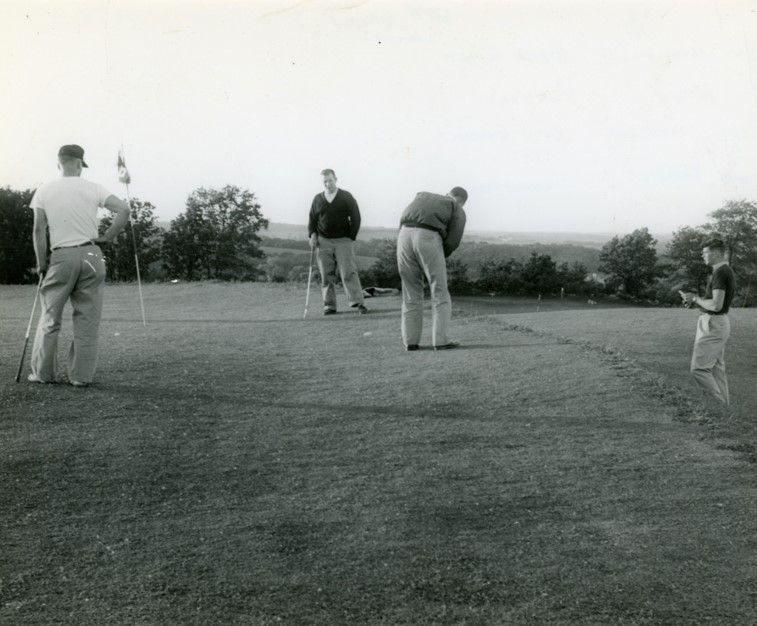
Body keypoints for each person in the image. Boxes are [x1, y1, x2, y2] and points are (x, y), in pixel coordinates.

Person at [27, 144, 130, 387]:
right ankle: (81, 377)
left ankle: (43, 374)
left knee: (50, 318)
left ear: (59, 163)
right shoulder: (93, 187)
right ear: (78, 164)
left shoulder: (44, 190)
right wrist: (108, 236)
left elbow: (38, 229)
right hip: (92, 256)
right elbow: (124, 210)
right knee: (87, 319)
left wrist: (41, 264)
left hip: (61, 257)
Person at [397, 187, 467, 351]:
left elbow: (401, 221)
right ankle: (440, 341)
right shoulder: (456, 207)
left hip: (403, 235)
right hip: (428, 236)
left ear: (448, 193)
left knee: (410, 291)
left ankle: (410, 342)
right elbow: (452, 241)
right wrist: (440, 255)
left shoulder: (422, 196)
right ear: (462, 201)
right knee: (440, 290)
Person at [680, 237, 736, 410]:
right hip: (717, 323)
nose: (702, 255)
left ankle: (717, 407)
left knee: (699, 369)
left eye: (705, 252)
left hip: (713, 323)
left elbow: (716, 305)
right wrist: (695, 302)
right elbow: (713, 303)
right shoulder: (723, 270)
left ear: (717, 252)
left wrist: (696, 298)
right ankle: (724, 412)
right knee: (716, 369)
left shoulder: (720, 272)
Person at [308, 169, 368, 315]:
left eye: (330, 180)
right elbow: (312, 219)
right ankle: (329, 306)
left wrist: (350, 237)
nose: (328, 184)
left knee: (348, 271)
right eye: (325, 181)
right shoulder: (317, 199)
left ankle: (357, 302)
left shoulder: (346, 196)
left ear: (336, 179)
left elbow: (356, 218)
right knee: (326, 274)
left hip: (343, 240)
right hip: (323, 241)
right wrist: (312, 235)